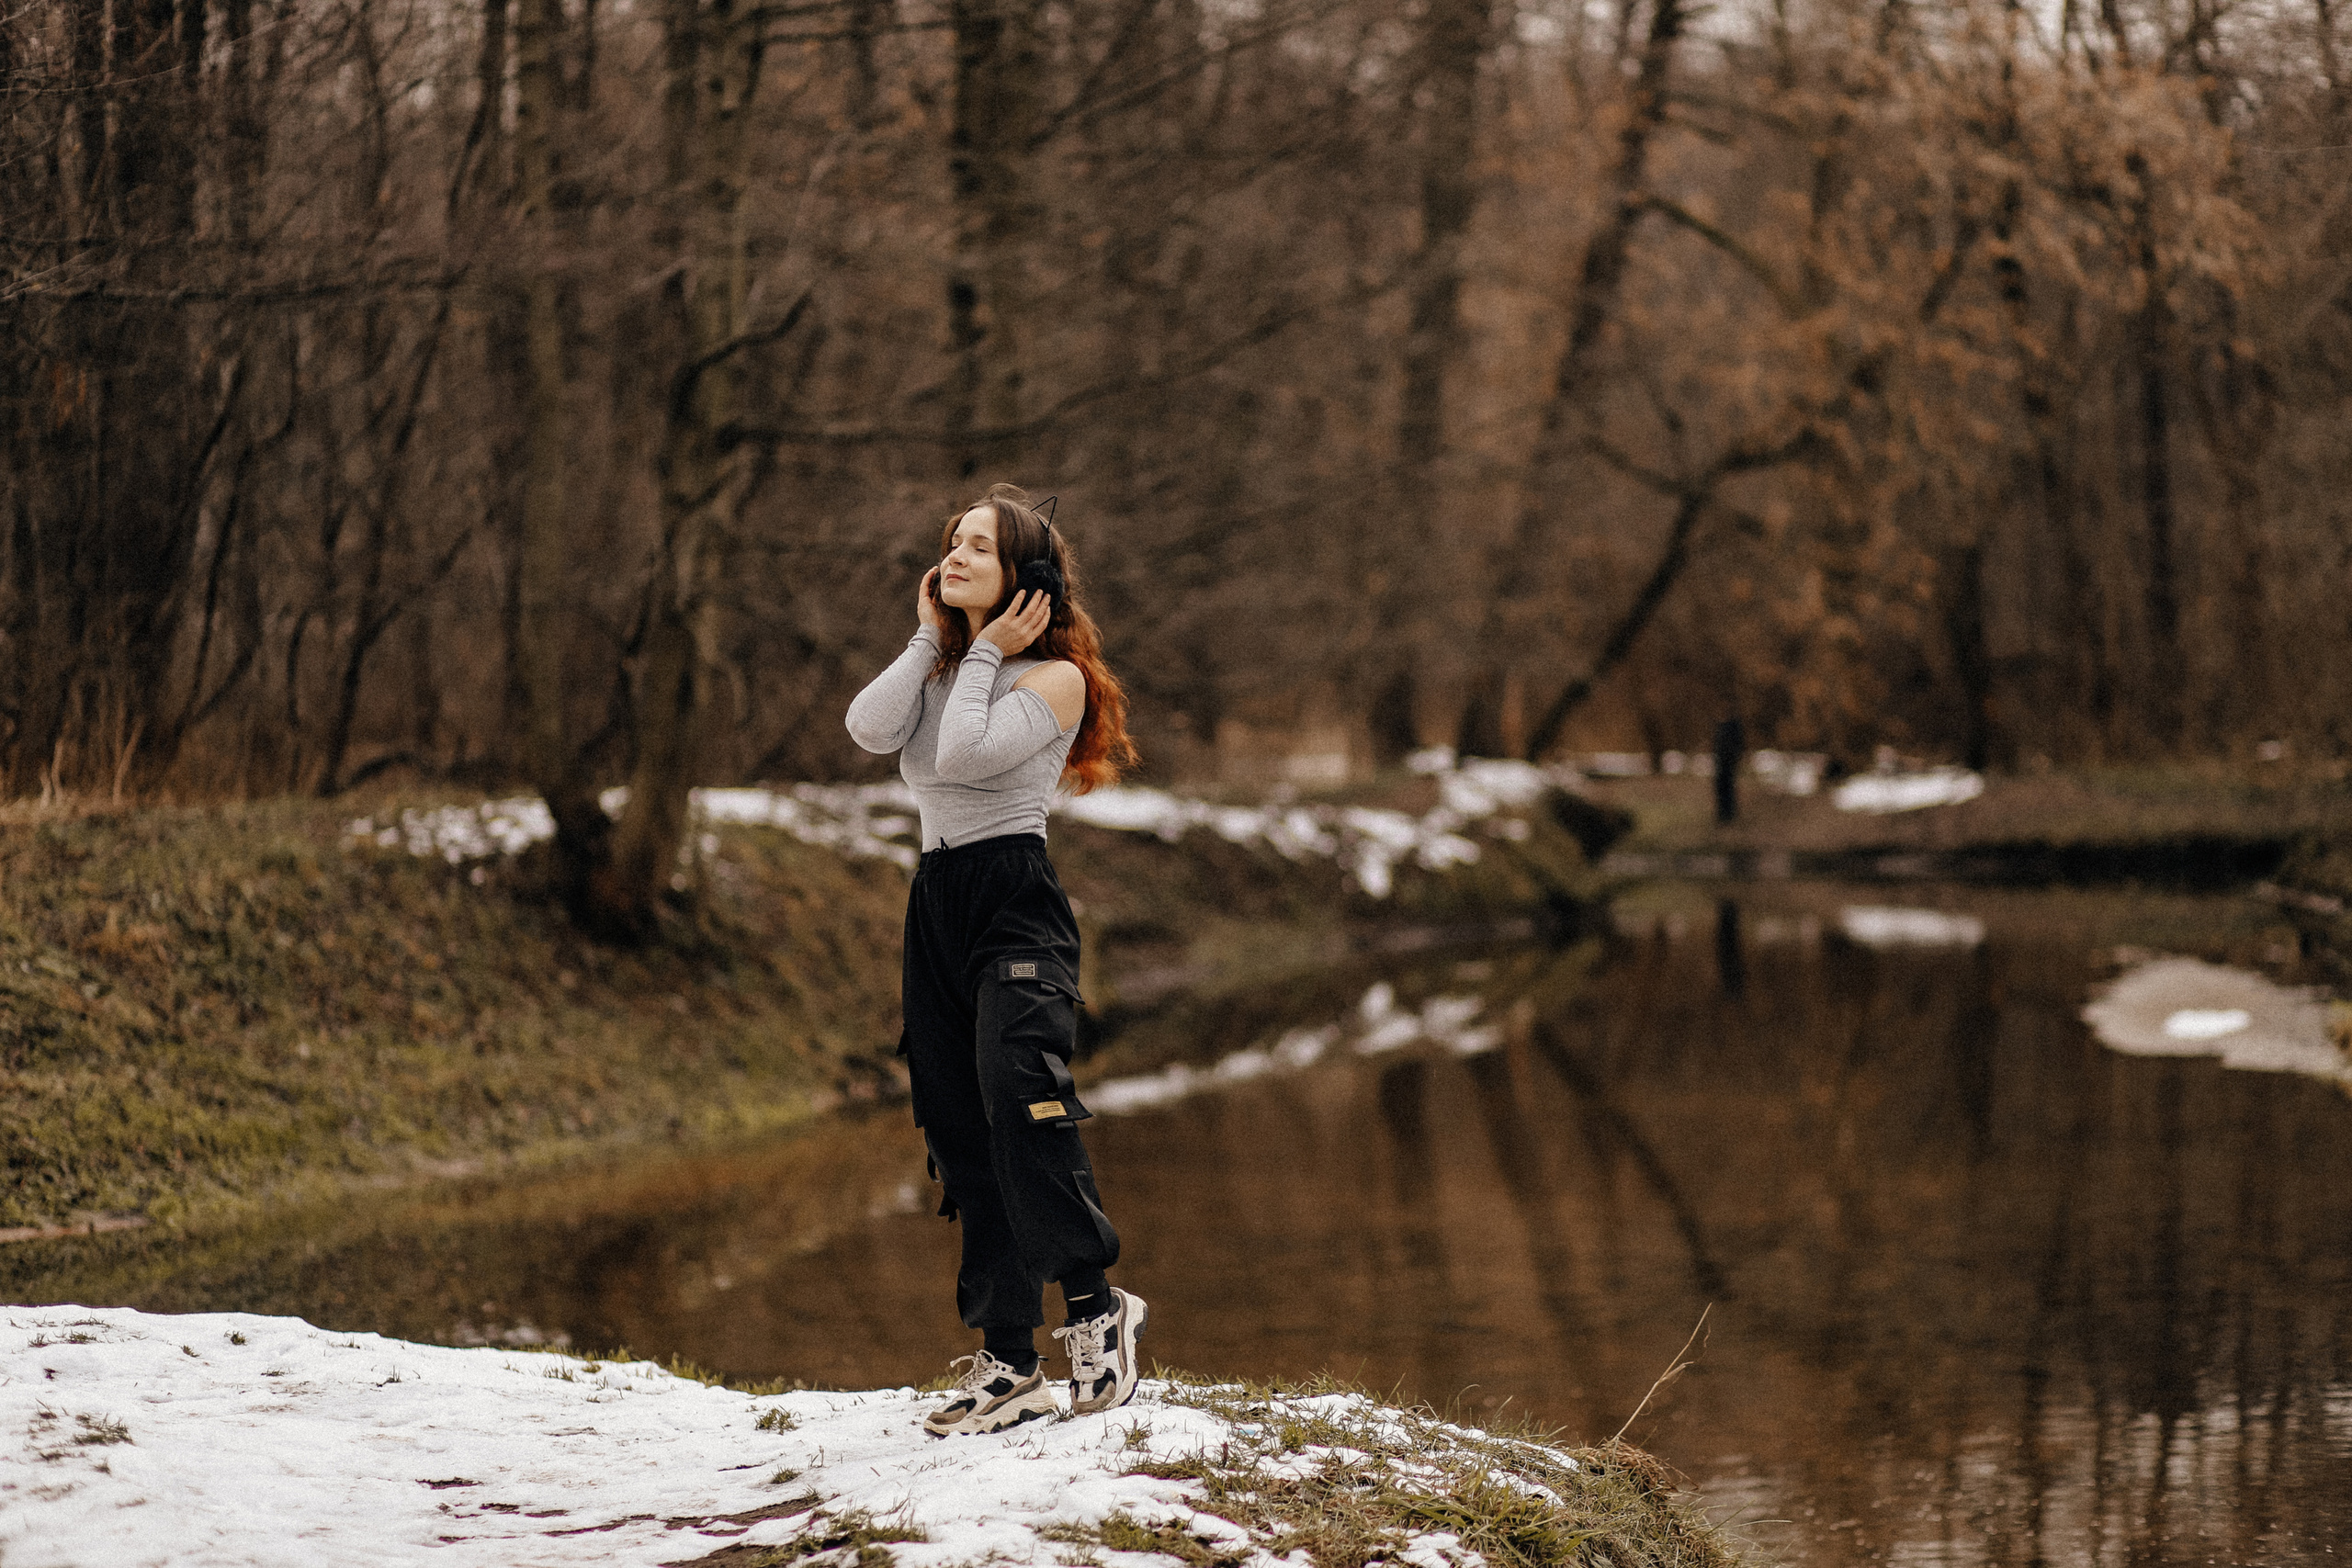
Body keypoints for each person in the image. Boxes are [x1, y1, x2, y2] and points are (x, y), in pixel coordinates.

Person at [844, 482, 1146, 1438]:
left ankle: (1098, 1312)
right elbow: (868, 728)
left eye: (980, 547)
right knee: (956, 1124)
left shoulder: (1051, 680)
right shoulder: (945, 666)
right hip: (935, 905)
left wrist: (981, 653)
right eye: (952, 543)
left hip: (1015, 901)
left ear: (1027, 580)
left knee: (1022, 1095)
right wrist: (933, 640)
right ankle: (1010, 1360)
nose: (956, 557)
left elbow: (968, 758)